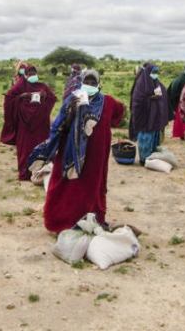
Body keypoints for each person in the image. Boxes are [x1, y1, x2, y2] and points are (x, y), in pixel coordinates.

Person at [28, 70, 125, 233]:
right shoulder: (72, 99)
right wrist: (72, 110)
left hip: (96, 156)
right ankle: (61, 221)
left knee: (92, 187)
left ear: (99, 84)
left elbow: (119, 115)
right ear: (81, 83)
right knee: (68, 185)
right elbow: (59, 127)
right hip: (71, 154)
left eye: (93, 83)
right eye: (87, 82)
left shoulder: (107, 102)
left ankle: (91, 219)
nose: (90, 85)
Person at [0, 66, 57, 181]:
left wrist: (44, 96)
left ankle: (40, 172)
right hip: (25, 127)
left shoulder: (42, 86)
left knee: (41, 148)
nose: (32, 75)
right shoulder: (20, 86)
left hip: (40, 125)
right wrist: (23, 96)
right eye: (30, 73)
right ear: (25, 75)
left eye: (34, 73)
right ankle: (25, 173)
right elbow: (9, 98)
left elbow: (52, 98)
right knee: (25, 149)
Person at [130, 64, 169, 164]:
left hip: (155, 116)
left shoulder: (156, 83)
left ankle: (153, 157)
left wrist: (159, 97)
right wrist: (150, 98)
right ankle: (144, 159)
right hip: (145, 117)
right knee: (146, 137)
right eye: (153, 72)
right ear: (148, 72)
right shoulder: (141, 84)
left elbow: (163, 93)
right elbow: (137, 101)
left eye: (157, 72)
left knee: (154, 136)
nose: (155, 74)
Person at [167, 63, 185, 140]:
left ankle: (182, 135)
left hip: (179, 104)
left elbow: (170, 93)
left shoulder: (178, 78)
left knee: (180, 121)